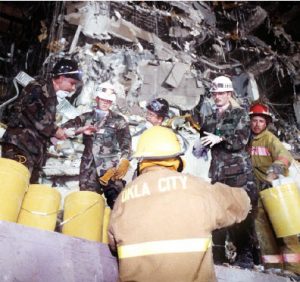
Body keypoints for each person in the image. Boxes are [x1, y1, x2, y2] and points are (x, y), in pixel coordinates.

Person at [108, 126, 251, 282]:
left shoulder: (123, 198)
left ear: (141, 162)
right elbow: (241, 203)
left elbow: (113, 245)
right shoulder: (197, 188)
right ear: (177, 160)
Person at [199, 75, 258, 268]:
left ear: (229, 93)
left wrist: (222, 139)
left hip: (239, 174)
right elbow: (205, 141)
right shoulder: (208, 118)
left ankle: (246, 258)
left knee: (242, 215)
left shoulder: (239, 114)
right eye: (215, 93)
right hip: (218, 174)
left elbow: (241, 140)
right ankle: (217, 257)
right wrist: (199, 148)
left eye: (221, 93)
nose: (217, 97)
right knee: (217, 215)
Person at [0, 58, 82, 183]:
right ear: (61, 77)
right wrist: (56, 131)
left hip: (32, 151)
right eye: (72, 83)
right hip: (19, 146)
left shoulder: (51, 95)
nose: (73, 88)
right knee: (10, 187)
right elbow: (38, 118)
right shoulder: (38, 87)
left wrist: (55, 137)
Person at [62, 82, 132, 209]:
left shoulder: (119, 120)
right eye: (103, 99)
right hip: (89, 170)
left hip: (111, 169)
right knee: (87, 206)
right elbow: (64, 129)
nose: (106, 103)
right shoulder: (85, 117)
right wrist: (81, 130)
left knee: (119, 206)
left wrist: (125, 158)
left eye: (109, 101)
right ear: (97, 98)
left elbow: (126, 142)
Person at [248, 101, 294, 270]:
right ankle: (273, 267)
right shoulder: (246, 139)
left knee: (284, 229)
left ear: (266, 123)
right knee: (262, 230)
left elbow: (284, 158)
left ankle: (294, 269)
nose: (257, 124)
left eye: (261, 121)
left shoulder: (270, 139)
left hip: (275, 192)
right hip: (257, 192)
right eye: (254, 120)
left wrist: (270, 177)